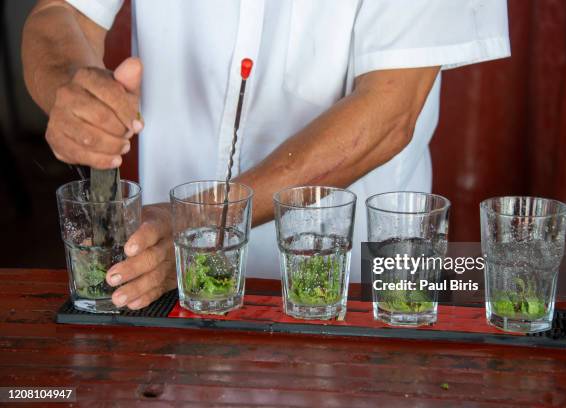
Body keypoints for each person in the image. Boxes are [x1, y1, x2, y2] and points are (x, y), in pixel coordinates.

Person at [22, 0, 510, 310]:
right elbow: (60, 14)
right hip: (167, 280)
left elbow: (390, 112)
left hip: (359, 292)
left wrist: (201, 223)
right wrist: (71, 88)